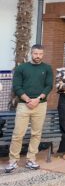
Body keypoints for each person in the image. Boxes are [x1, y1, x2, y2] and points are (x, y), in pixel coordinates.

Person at [5, 44, 53, 173]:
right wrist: (27, 100)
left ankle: (31, 159)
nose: (38, 56)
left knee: (36, 134)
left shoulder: (47, 68)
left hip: (40, 105)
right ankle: (13, 160)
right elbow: (17, 86)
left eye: (40, 54)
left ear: (43, 54)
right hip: (23, 105)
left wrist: (38, 99)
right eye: (36, 53)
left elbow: (48, 86)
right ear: (31, 53)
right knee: (17, 134)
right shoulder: (22, 68)